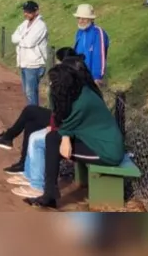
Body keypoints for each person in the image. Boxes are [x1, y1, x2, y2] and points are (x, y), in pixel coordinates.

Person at [22, 62, 124, 208]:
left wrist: (65, 138)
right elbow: (61, 119)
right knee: (52, 138)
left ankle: (49, 195)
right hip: (92, 140)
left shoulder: (83, 101)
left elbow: (65, 124)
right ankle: (49, 193)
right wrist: (64, 136)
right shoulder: (75, 93)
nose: (50, 86)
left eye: (53, 83)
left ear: (63, 85)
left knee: (53, 140)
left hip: (106, 150)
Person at [0, 47, 82, 174]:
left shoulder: (70, 80)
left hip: (65, 122)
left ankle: (8, 137)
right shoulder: (68, 77)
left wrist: (54, 125)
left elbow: (65, 110)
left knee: (30, 111)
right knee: (31, 122)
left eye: (58, 61)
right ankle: (23, 162)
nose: (56, 64)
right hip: (61, 118)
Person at [11, 0, 49, 106]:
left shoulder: (41, 26)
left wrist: (21, 38)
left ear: (36, 11)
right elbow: (13, 37)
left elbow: (29, 42)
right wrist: (22, 38)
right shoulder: (25, 24)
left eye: (29, 12)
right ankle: (33, 114)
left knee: (31, 92)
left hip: (34, 64)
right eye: (25, 11)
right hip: (24, 62)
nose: (26, 14)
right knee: (26, 92)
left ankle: (34, 115)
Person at [73, 4, 109, 86]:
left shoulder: (98, 33)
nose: (80, 21)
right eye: (78, 18)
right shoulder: (79, 32)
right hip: (78, 77)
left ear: (91, 19)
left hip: (91, 79)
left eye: (84, 18)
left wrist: (97, 77)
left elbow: (100, 56)